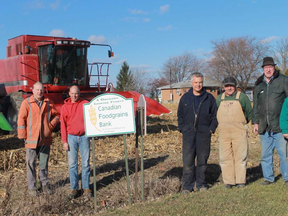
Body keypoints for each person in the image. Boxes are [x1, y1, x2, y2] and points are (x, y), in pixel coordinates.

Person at [177, 72, 218, 193]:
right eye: (196, 82)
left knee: (202, 161)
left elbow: (215, 115)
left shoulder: (209, 98)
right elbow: (180, 115)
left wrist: (211, 128)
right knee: (188, 161)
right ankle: (187, 186)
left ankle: (201, 184)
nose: (198, 85)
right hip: (188, 134)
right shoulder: (185, 98)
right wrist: (182, 128)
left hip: (203, 133)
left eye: (200, 82)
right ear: (191, 83)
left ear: (202, 83)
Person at [17, 82, 60, 196]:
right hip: (31, 139)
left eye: (41, 90)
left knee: (43, 163)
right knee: (31, 163)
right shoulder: (26, 103)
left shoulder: (48, 103)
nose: (39, 92)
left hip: (45, 138)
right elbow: (21, 119)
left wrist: (50, 127)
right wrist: (22, 135)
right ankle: (32, 187)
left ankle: (44, 184)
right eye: (37, 90)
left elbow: (56, 115)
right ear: (33, 90)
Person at [253, 56, 288, 186]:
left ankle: (287, 177)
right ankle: (268, 178)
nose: (268, 69)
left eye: (270, 67)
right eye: (266, 67)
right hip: (264, 126)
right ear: (262, 69)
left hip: (279, 125)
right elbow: (255, 105)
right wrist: (255, 122)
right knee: (265, 155)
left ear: (274, 68)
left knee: (283, 154)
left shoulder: (284, 81)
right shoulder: (259, 85)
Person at [216, 76, 252, 188]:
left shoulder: (242, 97)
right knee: (225, 157)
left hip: (239, 131)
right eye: (227, 86)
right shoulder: (219, 99)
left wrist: (241, 122)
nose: (229, 88)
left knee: (240, 156)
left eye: (231, 86)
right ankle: (229, 181)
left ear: (235, 86)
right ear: (224, 87)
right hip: (224, 132)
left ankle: (240, 181)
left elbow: (249, 113)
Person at [60, 85, 92, 199]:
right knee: (72, 164)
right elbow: (62, 125)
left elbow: (92, 117)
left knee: (86, 163)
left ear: (79, 93)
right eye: (73, 93)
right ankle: (74, 188)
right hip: (71, 137)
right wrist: (64, 141)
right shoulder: (65, 107)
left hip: (84, 137)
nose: (74, 95)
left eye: (77, 93)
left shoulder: (85, 104)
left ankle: (86, 187)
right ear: (69, 93)